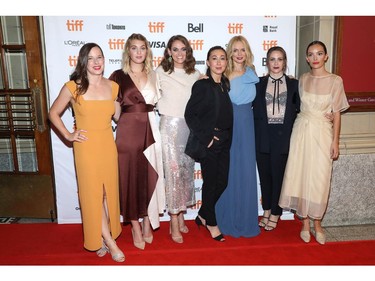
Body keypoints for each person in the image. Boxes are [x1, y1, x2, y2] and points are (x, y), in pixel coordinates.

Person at [49, 43, 125, 262]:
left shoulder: (113, 87)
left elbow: (117, 117)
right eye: (90, 58)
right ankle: (110, 242)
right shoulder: (73, 87)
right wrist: (68, 135)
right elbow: (53, 113)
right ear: (83, 62)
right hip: (86, 146)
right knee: (92, 194)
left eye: (99, 57)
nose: (96, 62)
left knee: (107, 193)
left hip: (107, 145)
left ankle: (101, 237)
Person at [279, 40, 350, 244]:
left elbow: (336, 114)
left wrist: (335, 142)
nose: (315, 58)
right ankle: (304, 223)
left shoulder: (336, 81)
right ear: (307, 58)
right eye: (311, 54)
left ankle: (317, 224)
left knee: (319, 179)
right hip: (301, 131)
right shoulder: (302, 79)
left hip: (322, 133)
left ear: (326, 56)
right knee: (300, 175)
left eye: (319, 54)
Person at [109, 33, 165, 250]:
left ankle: (147, 221)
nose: (139, 52)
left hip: (151, 130)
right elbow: (114, 114)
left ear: (147, 51)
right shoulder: (117, 76)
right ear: (128, 51)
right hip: (128, 131)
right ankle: (134, 224)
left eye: (143, 48)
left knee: (149, 175)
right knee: (130, 178)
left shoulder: (154, 75)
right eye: (134, 48)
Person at [185, 46, 233, 242]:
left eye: (222, 58)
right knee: (211, 183)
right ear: (208, 62)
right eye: (215, 58)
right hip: (211, 143)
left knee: (222, 182)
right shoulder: (202, 85)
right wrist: (207, 139)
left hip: (225, 141)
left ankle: (203, 214)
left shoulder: (224, 84)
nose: (219, 62)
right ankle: (211, 223)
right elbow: (190, 115)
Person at [156, 35, 201, 243]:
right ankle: (173, 222)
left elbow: (213, 85)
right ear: (168, 52)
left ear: (188, 51)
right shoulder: (160, 72)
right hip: (170, 127)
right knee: (173, 174)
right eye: (175, 49)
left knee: (185, 173)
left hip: (189, 127)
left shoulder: (195, 73)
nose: (180, 53)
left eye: (183, 49)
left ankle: (181, 215)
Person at [215, 35, 260, 238]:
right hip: (229, 124)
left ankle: (245, 219)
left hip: (247, 124)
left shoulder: (252, 73)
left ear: (247, 52)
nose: (239, 54)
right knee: (229, 170)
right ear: (230, 52)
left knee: (246, 171)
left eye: (243, 50)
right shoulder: (222, 73)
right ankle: (227, 218)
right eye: (235, 50)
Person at [253, 46, 300, 231]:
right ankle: (266, 209)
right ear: (267, 62)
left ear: (285, 62)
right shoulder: (257, 83)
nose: (276, 63)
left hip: (283, 136)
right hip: (262, 135)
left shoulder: (294, 84)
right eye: (272, 59)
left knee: (278, 175)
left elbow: (303, 109)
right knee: (264, 175)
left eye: (280, 59)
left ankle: (275, 212)